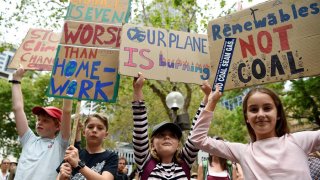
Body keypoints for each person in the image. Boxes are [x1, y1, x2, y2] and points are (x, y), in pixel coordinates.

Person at [190, 86, 320, 179]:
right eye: (253, 109)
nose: (261, 114)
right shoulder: (242, 151)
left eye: (267, 108)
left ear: (278, 113)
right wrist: (212, 101)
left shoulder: (299, 141)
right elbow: (197, 139)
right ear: (247, 117)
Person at [132, 73, 210, 179]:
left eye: (173, 135)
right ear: (152, 144)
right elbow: (139, 124)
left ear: (178, 144)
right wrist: (137, 89)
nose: (167, 137)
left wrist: (207, 97)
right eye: (161, 135)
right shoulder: (145, 161)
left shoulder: (185, 161)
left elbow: (198, 130)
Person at [11, 66, 72, 180]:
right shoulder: (29, 140)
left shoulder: (60, 144)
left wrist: (67, 80)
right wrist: (16, 80)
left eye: (46, 120)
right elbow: (17, 109)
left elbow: (67, 112)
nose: (40, 123)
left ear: (58, 126)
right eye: (39, 119)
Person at [57, 113, 118, 180]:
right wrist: (61, 177)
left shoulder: (111, 157)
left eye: (100, 128)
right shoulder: (73, 154)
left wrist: (78, 164)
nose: (94, 130)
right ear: (84, 132)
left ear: (106, 135)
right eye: (90, 127)